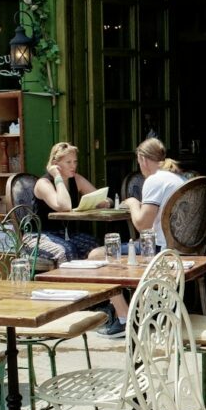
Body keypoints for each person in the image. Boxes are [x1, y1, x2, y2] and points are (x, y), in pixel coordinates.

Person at [33, 143, 124, 337]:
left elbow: (102, 198)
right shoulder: (44, 183)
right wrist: (58, 177)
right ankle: (67, 309)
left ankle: (99, 303)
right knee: (65, 252)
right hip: (40, 235)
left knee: (96, 248)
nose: (73, 166)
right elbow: (63, 205)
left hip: (66, 234)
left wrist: (102, 201)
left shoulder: (77, 179)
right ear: (55, 163)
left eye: (75, 161)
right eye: (68, 162)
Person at [121, 137, 186, 250]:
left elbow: (143, 226)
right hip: (184, 247)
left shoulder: (154, 180)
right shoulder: (179, 178)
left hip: (162, 249)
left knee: (97, 254)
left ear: (143, 160)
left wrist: (133, 203)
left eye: (139, 163)